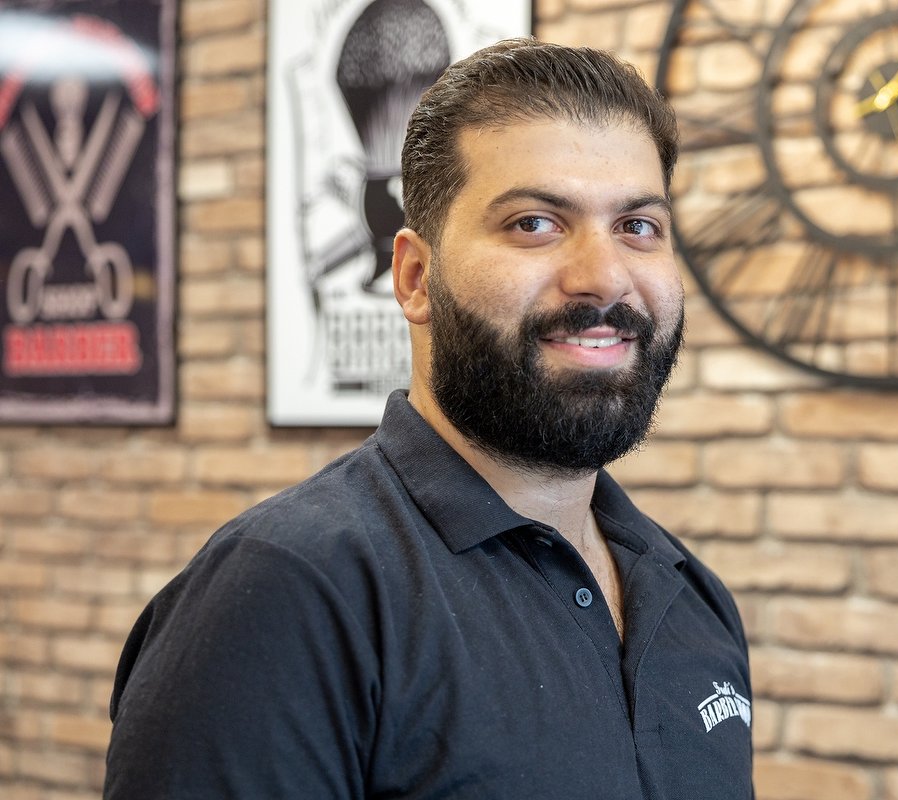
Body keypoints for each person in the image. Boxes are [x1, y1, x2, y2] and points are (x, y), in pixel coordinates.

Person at [104, 39, 753, 799]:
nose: (605, 278)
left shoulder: (690, 596)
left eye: (638, 226)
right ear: (415, 278)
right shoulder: (287, 594)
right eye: (535, 223)